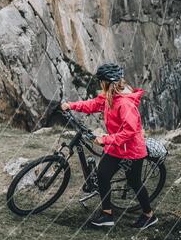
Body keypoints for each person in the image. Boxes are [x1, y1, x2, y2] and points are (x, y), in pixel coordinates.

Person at [60, 63, 157, 229]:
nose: (99, 83)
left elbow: (130, 132)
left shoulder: (124, 104)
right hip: (116, 147)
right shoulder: (109, 95)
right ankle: (107, 215)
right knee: (102, 175)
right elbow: (93, 105)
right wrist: (72, 105)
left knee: (134, 182)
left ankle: (149, 215)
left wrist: (105, 140)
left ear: (107, 82)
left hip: (131, 150)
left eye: (100, 81)